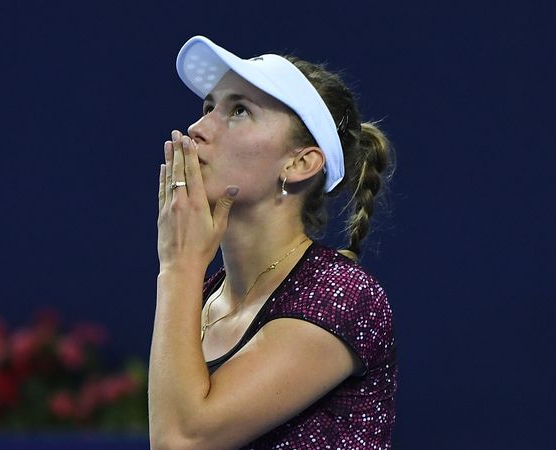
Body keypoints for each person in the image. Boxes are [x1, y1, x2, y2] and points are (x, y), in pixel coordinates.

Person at [149, 36, 397, 450]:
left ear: (300, 163)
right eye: (209, 107)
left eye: (239, 110)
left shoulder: (343, 296)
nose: (197, 128)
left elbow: (180, 439)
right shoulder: (204, 296)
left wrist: (178, 266)